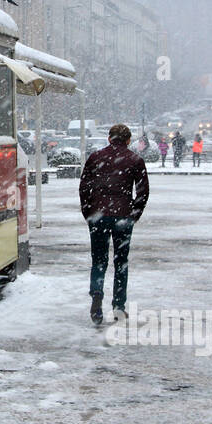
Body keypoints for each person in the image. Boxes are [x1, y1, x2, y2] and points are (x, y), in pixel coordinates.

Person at [79, 123, 150, 325]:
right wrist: (134, 213)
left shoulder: (95, 158)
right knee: (121, 261)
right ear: (128, 140)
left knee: (99, 260)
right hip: (123, 217)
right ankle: (118, 305)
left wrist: (89, 212)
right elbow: (143, 191)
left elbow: (84, 187)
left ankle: (96, 296)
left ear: (109, 139)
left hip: (98, 216)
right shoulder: (135, 160)